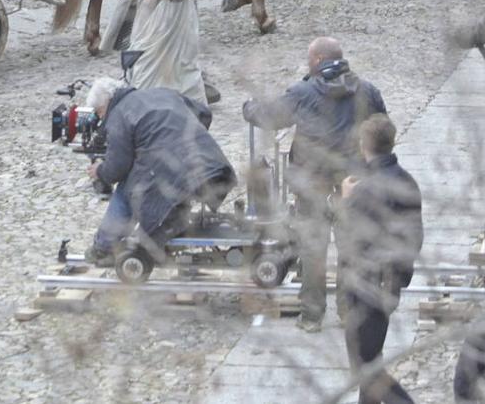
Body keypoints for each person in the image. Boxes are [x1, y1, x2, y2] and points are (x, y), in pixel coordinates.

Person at [243, 37, 387, 332]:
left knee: (313, 248)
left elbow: (271, 116)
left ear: (319, 60)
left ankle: (311, 316)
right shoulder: (367, 91)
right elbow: (382, 126)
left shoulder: (303, 92)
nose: (308, 63)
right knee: (350, 246)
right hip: (352, 182)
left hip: (312, 183)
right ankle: (348, 312)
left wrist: (249, 108)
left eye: (310, 59)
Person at [82, 78, 236, 264]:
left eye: (100, 112)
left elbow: (117, 169)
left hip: (172, 171)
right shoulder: (162, 92)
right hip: (211, 166)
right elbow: (203, 112)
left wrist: (100, 171)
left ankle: (105, 246)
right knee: (160, 177)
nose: (100, 118)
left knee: (127, 189)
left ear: (107, 102)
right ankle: (173, 216)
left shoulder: (119, 115)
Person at [337, 114, 422, 404]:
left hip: (366, 284)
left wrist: (346, 200)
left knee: (366, 367)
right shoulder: (406, 181)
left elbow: (350, 238)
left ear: (364, 145)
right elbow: (414, 236)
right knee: (371, 357)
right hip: (390, 281)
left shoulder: (367, 188)